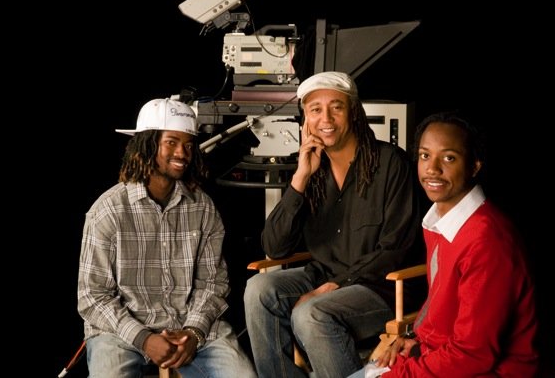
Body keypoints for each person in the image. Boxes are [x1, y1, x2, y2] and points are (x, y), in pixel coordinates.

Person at [243, 71, 426, 378]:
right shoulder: (311, 169)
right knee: (258, 289)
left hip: (383, 288)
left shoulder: (390, 163)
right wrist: (301, 178)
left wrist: (334, 286)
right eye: (315, 109)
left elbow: (395, 249)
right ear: (305, 120)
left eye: (336, 107)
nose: (325, 118)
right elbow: (274, 248)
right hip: (324, 276)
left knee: (311, 313)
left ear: (353, 112)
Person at [348, 111, 539, 377]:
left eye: (449, 158)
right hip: (441, 356)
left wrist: (401, 375)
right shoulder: (441, 221)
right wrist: (415, 338)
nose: (432, 168)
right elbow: (444, 306)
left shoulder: (486, 240)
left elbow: (473, 354)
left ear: (474, 166)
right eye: (425, 155)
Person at [77, 98, 257, 378]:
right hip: (122, 331)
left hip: (190, 327)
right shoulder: (108, 211)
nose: (182, 153)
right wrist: (144, 339)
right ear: (147, 144)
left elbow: (213, 283)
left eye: (187, 144)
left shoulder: (203, 207)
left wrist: (194, 333)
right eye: (171, 142)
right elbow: (92, 295)